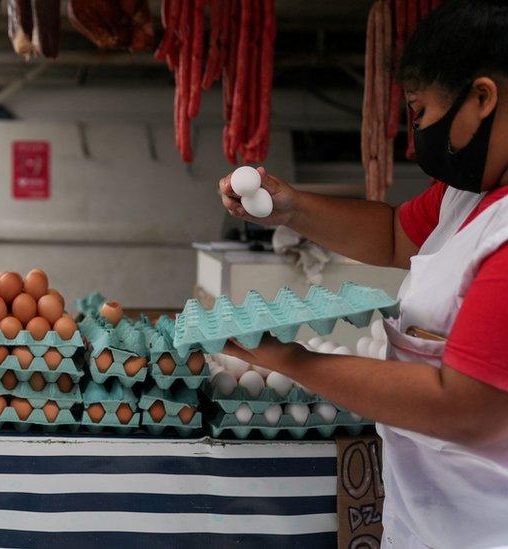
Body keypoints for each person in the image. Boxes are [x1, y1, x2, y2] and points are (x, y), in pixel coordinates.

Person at [218, 1, 508, 546]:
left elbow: (466, 407)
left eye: (420, 112)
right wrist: (292, 207)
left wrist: (296, 361)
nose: (417, 130)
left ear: (482, 98)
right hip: (426, 523)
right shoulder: (468, 197)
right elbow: (396, 235)